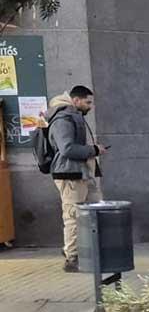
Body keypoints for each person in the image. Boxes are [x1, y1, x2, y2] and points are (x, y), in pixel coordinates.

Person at [46, 85, 106, 272]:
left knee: (95, 209)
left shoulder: (73, 115)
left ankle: (86, 252)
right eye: (87, 102)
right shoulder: (63, 118)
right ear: (76, 100)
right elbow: (67, 149)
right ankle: (72, 258)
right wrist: (94, 150)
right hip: (70, 174)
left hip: (81, 173)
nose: (90, 106)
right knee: (73, 216)